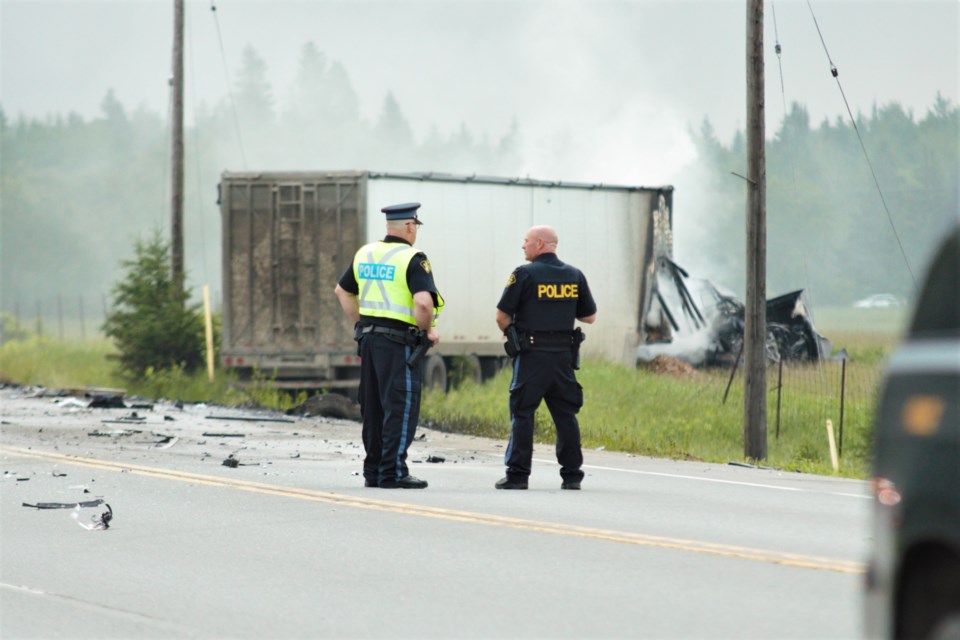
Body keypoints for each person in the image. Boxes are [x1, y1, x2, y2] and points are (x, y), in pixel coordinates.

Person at [334, 202, 443, 489]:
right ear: (409, 226)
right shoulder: (413, 258)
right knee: (400, 405)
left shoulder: (365, 253)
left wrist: (365, 323)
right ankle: (393, 472)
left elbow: (342, 292)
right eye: (415, 226)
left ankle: (374, 471)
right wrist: (428, 330)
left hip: (369, 341)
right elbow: (422, 302)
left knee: (373, 407)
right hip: (399, 343)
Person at [494, 225, 597, 490]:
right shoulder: (575, 275)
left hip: (531, 357)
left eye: (526, 241)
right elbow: (589, 316)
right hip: (563, 358)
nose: (523, 246)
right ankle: (572, 475)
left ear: (540, 243)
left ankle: (518, 476)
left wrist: (512, 333)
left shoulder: (524, 274)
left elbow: (501, 316)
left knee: (523, 413)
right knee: (566, 416)